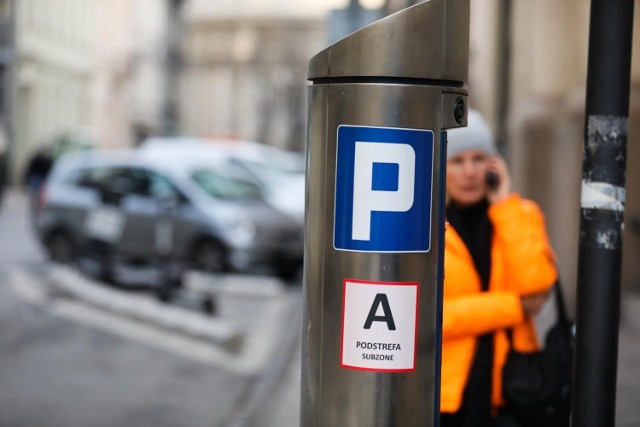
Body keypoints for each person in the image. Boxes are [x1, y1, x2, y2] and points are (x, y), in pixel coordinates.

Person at [440, 110, 557, 427]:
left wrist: (504, 205)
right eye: (457, 161)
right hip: (447, 398)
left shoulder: (519, 214)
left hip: (512, 394)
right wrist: (512, 306)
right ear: (440, 166)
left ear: (495, 165)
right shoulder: (424, 227)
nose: (469, 172)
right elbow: (430, 316)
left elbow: (536, 288)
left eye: (479, 159)